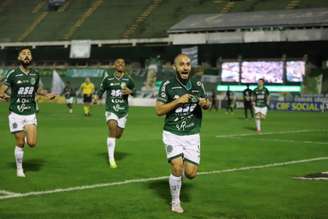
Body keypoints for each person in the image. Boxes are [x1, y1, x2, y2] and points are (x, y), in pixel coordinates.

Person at [155, 54, 210, 214]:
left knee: (191, 174)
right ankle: (175, 202)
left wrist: (205, 103)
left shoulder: (198, 84)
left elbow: (207, 105)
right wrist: (177, 101)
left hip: (192, 134)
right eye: (181, 64)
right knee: (177, 167)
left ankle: (180, 171)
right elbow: (158, 110)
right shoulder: (167, 85)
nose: (185, 67)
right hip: (172, 132)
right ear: (175, 67)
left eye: (188, 64)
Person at [0, 48, 55, 177]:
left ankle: (25, 135)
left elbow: (37, 89)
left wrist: (47, 94)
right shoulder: (12, 73)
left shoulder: (35, 74)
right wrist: (4, 95)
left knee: (32, 143)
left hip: (30, 112)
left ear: (31, 58)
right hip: (16, 113)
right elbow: (2, 89)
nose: (26, 55)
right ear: (19, 58)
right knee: (20, 142)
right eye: (24, 54)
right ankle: (19, 169)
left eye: (29, 54)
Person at [96, 58, 135, 168]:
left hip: (123, 111)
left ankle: (112, 141)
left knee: (118, 134)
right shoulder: (108, 79)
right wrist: (96, 97)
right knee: (112, 126)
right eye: (118, 62)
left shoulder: (128, 79)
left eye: (123, 63)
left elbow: (134, 91)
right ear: (114, 65)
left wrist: (130, 91)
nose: (121, 64)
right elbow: (101, 90)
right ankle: (111, 159)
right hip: (111, 108)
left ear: (125, 66)